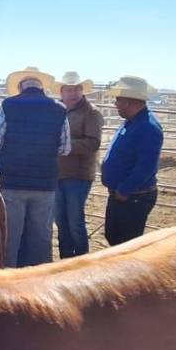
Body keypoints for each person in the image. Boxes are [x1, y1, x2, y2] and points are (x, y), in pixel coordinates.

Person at [0, 67, 71, 267]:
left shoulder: (8, 105)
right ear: (41, 87)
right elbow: (65, 148)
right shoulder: (59, 109)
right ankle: (38, 280)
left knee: (11, 237)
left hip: (13, 181)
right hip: (45, 182)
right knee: (41, 237)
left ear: (20, 87)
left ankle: (8, 279)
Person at [101, 76, 163, 246]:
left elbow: (147, 166)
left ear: (128, 102)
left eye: (118, 100)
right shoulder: (133, 123)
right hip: (125, 194)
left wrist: (125, 189)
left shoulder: (147, 127)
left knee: (126, 243)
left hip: (133, 196)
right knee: (115, 238)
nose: (115, 104)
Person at [54, 71, 103, 258]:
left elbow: (93, 143)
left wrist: (64, 145)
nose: (73, 93)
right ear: (62, 91)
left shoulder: (91, 113)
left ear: (82, 91)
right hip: (59, 173)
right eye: (69, 89)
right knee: (61, 220)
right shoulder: (60, 111)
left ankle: (82, 259)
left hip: (79, 175)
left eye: (77, 89)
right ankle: (66, 259)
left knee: (74, 221)